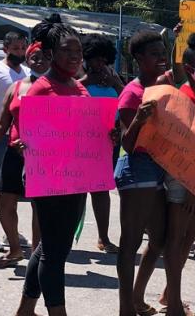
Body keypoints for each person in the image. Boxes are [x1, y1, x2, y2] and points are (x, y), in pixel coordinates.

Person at [13, 20, 101, 316]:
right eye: (67, 51)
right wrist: (23, 143)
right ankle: (57, 312)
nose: (75, 56)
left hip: (75, 177)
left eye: (78, 51)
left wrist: (107, 134)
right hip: (48, 178)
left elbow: (89, 129)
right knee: (55, 251)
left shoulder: (78, 87)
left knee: (52, 246)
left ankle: (25, 310)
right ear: (51, 53)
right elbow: (25, 133)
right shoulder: (40, 89)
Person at [159, 32, 195, 316]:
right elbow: (184, 145)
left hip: (194, 178)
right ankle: (174, 304)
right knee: (178, 237)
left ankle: (170, 294)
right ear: (191, 68)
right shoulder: (186, 95)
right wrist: (193, 187)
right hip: (183, 177)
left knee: (189, 233)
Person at [115, 31, 168, 316]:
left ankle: (136, 298)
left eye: (163, 52)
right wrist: (139, 119)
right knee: (131, 242)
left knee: (159, 238)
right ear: (138, 59)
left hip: (161, 168)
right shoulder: (132, 93)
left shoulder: (165, 85)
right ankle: (126, 308)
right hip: (137, 170)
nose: (162, 58)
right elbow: (127, 143)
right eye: (155, 54)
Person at [0, 41, 48, 268]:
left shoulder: (58, 87)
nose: (39, 60)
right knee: (3, 201)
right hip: (14, 151)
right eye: (34, 56)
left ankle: (37, 255)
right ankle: (14, 249)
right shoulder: (17, 87)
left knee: (37, 206)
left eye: (44, 56)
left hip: (44, 157)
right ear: (28, 59)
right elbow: (2, 123)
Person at [79, 33, 125, 254]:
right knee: (74, 191)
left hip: (106, 143)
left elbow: (129, 102)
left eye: (103, 60)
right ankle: (65, 237)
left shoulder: (113, 79)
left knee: (100, 191)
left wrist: (116, 83)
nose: (99, 64)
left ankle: (103, 238)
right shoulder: (77, 78)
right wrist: (86, 82)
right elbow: (64, 99)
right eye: (95, 59)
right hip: (78, 143)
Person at [0, 31, 28, 252]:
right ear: (5, 49)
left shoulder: (28, 73)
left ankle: (10, 231)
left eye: (23, 48)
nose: (19, 52)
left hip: (18, 137)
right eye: (15, 48)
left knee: (10, 189)